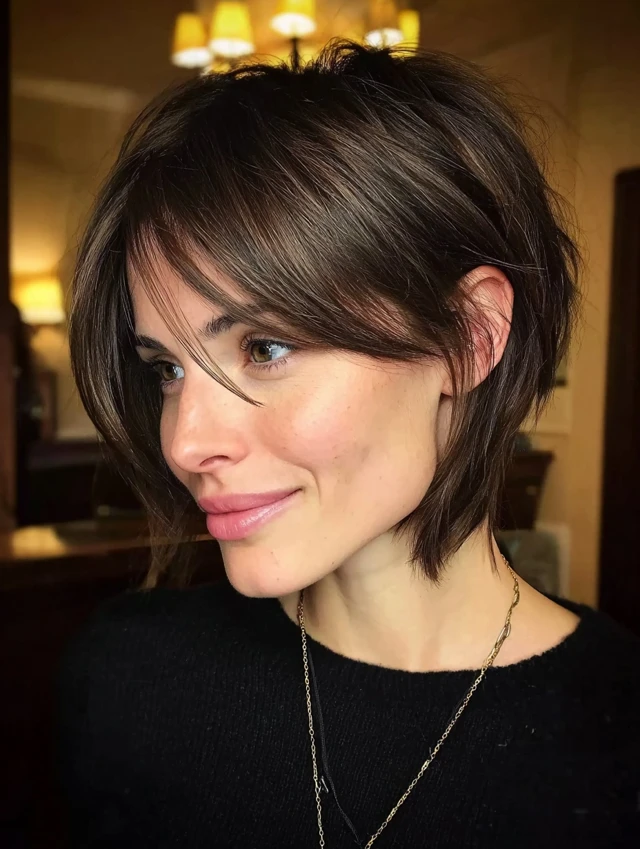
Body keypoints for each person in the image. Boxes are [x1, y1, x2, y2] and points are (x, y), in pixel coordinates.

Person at [57, 41, 640, 848]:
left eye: (265, 347)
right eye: (167, 369)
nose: (186, 441)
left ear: (469, 336)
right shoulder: (126, 681)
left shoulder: (618, 737)